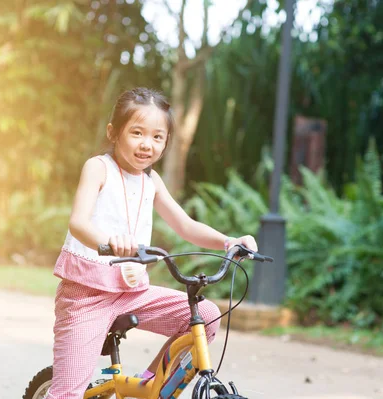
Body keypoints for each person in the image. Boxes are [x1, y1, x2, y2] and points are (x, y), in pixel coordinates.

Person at [48, 87, 258, 399]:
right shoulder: (98, 167)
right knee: (67, 394)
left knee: (206, 315)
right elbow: (78, 222)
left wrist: (229, 241)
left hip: (132, 292)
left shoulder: (151, 180)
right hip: (87, 295)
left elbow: (184, 224)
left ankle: (150, 386)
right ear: (113, 132)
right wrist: (109, 241)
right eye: (137, 133)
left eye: (158, 137)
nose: (147, 144)